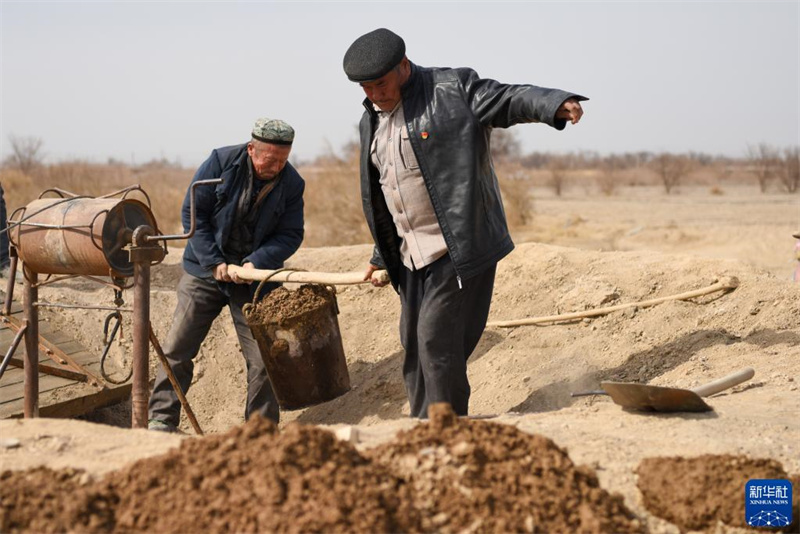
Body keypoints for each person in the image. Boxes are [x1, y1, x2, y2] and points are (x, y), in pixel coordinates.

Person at [343, 28, 587, 418]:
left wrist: (553, 103)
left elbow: (507, 98)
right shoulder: (371, 120)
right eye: (366, 88)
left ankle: (447, 425)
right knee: (413, 344)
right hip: (410, 255)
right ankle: (422, 424)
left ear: (403, 66)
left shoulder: (451, 89)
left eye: (381, 84)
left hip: (456, 243)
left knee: (436, 339)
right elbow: (388, 190)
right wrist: (380, 253)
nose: (374, 94)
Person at [148, 118, 305, 432]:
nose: (276, 167)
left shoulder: (292, 183)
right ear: (251, 149)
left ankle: (260, 430)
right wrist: (213, 261)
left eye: (283, 160)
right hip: (204, 272)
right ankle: (161, 419)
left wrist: (255, 263)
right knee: (178, 347)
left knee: (266, 358)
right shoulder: (220, 162)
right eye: (269, 159)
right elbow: (194, 213)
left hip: (254, 281)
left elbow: (291, 234)